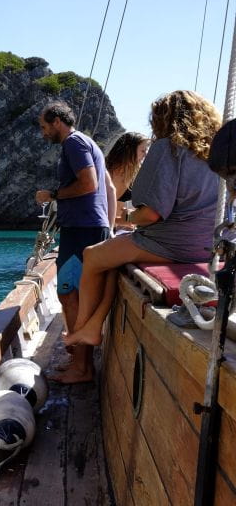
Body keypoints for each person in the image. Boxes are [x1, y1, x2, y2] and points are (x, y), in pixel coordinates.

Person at [64, 91, 222, 364]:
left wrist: (128, 217)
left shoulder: (168, 147)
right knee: (113, 261)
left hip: (171, 245)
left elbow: (150, 214)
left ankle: (84, 331)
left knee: (93, 255)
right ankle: (92, 326)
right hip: (209, 248)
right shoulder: (218, 152)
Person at [33, 101, 110, 383]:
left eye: (44, 126)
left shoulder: (73, 144)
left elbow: (90, 184)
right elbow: (107, 187)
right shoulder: (86, 142)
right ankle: (80, 363)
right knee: (75, 295)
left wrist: (52, 195)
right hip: (86, 227)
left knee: (70, 294)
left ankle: (81, 367)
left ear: (57, 122)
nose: (43, 134)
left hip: (82, 229)